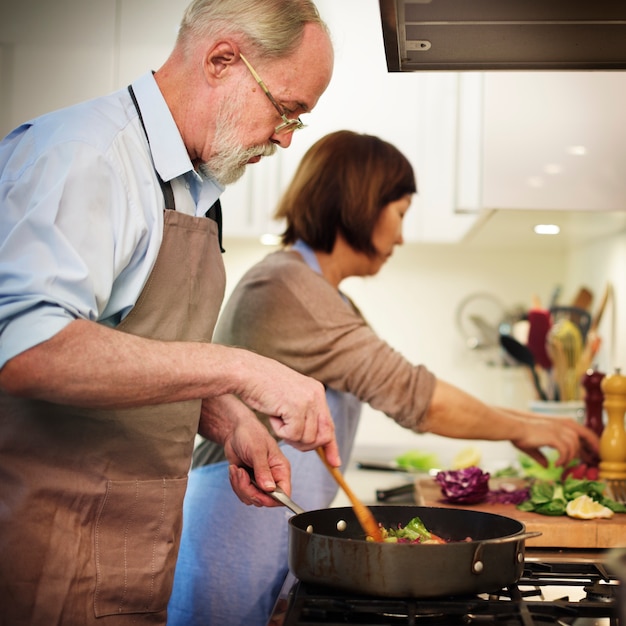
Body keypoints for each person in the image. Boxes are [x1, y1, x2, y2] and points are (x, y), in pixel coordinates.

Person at [167, 129, 600, 626]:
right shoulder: (285, 285)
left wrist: (528, 422)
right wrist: (528, 428)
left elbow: (406, 386)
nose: (400, 236)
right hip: (233, 530)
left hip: (265, 523)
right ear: (362, 204)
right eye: (400, 214)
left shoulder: (321, 292)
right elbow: (417, 398)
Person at [0, 1, 340, 625]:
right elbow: (28, 349)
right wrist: (236, 370)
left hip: (126, 550)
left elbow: (123, 344)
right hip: (44, 553)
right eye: (287, 109)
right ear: (222, 60)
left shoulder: (190, 187)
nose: (288, 136)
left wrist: (227, 416)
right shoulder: (88, 155)